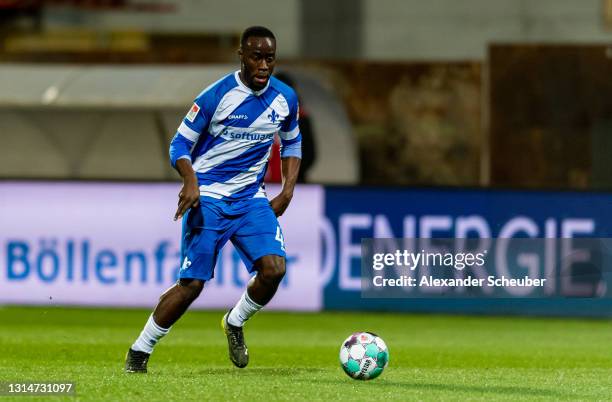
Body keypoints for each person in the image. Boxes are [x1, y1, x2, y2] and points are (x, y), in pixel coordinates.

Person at [124, 26, 301, 373]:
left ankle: (234, 322)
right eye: (256, 57)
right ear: (241, 56)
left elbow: (292, 142)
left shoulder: (286, 98)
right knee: (192, 286)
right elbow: (178, 144)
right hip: (209, 198)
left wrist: (288, 190)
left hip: (251, 198)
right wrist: (191, 181)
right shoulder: (216, 96)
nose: (264, 65)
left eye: (270, 58)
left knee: (274, 269)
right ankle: (138, 352)